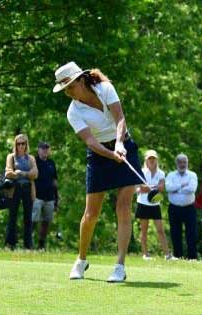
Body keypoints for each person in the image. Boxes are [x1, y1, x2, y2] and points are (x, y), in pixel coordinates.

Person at [53, 61, 143, 282]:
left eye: (71, 86)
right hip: (100, 155)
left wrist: (120, 144)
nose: (69, 92)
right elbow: (91, 142)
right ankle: (81, 260)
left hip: (125, 146)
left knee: (123, 207)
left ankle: (120, 266)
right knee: (91, 214)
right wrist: (111, 154)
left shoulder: (105, 89)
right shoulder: (73, 112)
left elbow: (120, 118)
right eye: (65, 89)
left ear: (81, 80)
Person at [135, 150, 173, 260]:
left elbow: (161, 187)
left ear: (156, 160)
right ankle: (145, 254)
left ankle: (167, 255)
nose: (152, 161)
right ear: (146, 160)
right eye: (149, 159)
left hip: (155, 204)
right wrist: (148, 188)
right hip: (143, 203)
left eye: (153, 158)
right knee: (144, 230)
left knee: (160, 230)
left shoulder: (161, 173)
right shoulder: (140, 172)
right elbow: (138, 188)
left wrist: (148, 188)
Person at [5, 134, 38, 250]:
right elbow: (8, 172)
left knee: (28, 218)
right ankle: (10, 244)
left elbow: (35, 174)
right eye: (18, 143)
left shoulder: (31, 158)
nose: (21, 146)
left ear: (26, 145)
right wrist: (17, 173)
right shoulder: (11, 157)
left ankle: (28, 245)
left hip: (28, 189)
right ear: (15, 145)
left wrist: (21, 173)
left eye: (23, 143)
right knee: (12, 216)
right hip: (15, 189)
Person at [165, 153, 198, 260]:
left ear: (187, 163)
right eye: (180, 162)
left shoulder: (192, 175)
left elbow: (192, 189)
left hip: (189, 208)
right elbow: (168, 188)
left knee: (191, 233)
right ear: (176, 163)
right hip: (174, 208)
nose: (182, 164)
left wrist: (176, 190)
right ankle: (178, 256)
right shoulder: (170, 175)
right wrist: (182, 185)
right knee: (175, 233)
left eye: (184, 162)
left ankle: (192, 258)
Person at [32, 141, 59, 250]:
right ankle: (29, 243)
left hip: (50, 197)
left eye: (47, 148)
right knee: (33, 220)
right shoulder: (34, 161)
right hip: (37, 196)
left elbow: (54, 181)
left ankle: (41, 245)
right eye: (43, 148)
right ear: (38, 149)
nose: (45, 150)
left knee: (46, 222)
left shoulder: (51, 163)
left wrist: (57, 197)